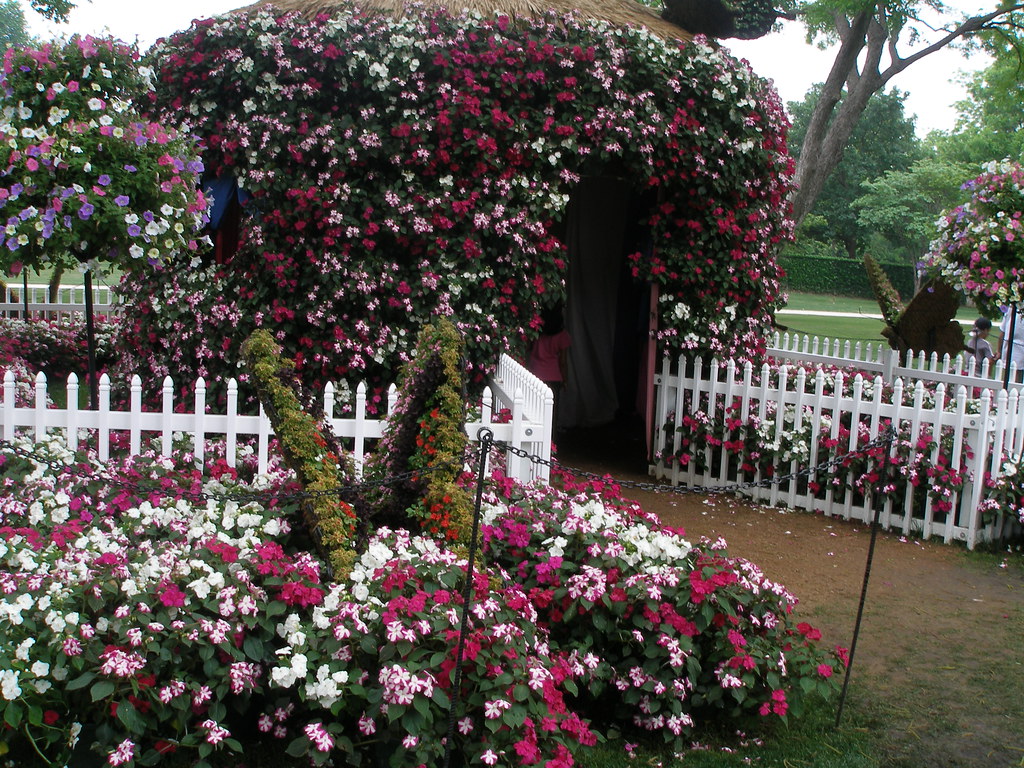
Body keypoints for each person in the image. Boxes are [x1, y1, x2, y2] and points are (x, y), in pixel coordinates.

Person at [527, 305, 571, 430]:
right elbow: (563, 362)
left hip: (535, 374)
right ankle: (551, 439)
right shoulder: (562, 335)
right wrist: (565, 380)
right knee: (552, 414)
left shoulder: (536, 331)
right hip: (553, 377)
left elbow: (528, 348)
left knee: (534, 411)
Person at [996, 304, 1024, 383]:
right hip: (1010, 349)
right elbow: (1003, 331)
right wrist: (999, 350)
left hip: (1016, 349)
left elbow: (1002, 332)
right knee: (1011, 378)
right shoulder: (1011, 308)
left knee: (1013, 378)